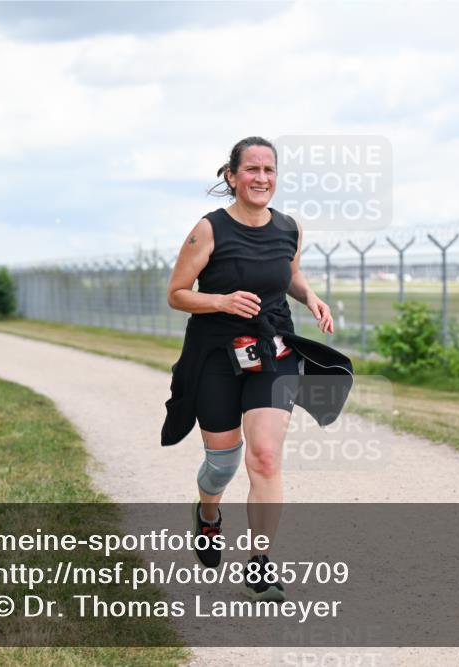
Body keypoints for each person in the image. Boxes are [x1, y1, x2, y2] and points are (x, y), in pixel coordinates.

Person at [163, 136, 354, 603]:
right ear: (232, 176)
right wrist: (222, 301)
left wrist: (309, 297)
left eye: (269, 170)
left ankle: (261, 563)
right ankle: (208, 513)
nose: (261, 178)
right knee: (222, 464)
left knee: (265, 456)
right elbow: (177, 293)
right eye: (251, 169)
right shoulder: (208, 230)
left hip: (272, 352)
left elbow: (286, 273)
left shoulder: (289, 227)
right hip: (215, 356)